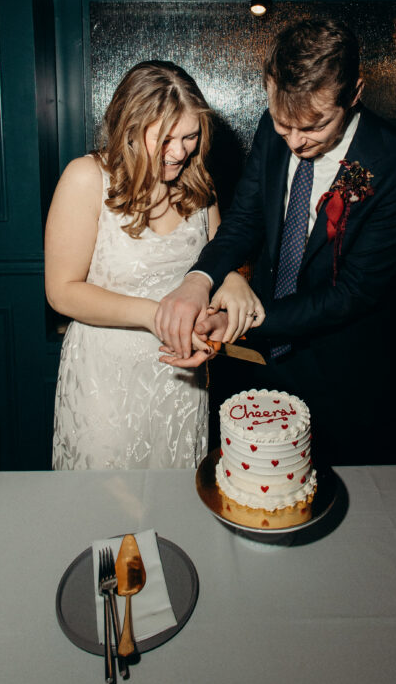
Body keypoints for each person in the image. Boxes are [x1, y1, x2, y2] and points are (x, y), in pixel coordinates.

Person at [156, 20, 396, 463]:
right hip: (259, 367)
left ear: (355, 92)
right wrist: (200, 279)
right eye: (284, 125)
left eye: (315, 126)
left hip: (345, 375)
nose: (296, 141)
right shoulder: (273, 129)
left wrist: (240, 321)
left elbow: (354, 293)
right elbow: (245, 219)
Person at [46, 60, 263, 470]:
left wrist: (231, 279)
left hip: (181, 380)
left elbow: (214, 266)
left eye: (190, 136)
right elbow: (61, 290)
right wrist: (156, 316)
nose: (180, 151)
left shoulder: (201, 188)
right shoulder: (86, 177)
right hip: (104, 381)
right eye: (165, 139)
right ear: (129, 128)